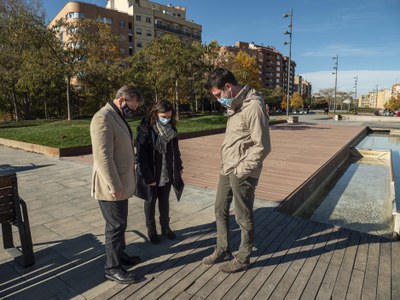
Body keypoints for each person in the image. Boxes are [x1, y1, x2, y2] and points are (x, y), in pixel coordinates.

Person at [202, 68, 271, 273]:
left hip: (242, 171)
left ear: (228, 87)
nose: (217, 100)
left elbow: (262, 146)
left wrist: (241, 171)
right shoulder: (235, 105)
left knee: (243, 215)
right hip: (227, 167)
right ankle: (223, 248)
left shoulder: (253, 107)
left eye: (217, 95)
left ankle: (243, 257)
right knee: (219, 207)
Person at [90, 85, 144, 284]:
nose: (134, 110)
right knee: (115, 226)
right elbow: (103, 157)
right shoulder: (102, 118)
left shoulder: (116, 115)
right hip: (111, 186)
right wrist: (115, 186)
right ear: (121, 100)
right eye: (133, 106)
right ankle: (112, 268)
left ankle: (120, 256)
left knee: (121, 224)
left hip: (121, 182)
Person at [135, 100, 184, 244]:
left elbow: (176, 151)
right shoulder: (145, 130)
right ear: (156, 114)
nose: (166, 119)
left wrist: (178, 167)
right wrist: (149, 177)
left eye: (169, 117)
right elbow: (141, 157)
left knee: (164, 201)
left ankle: (166, 228)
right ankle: (151, 230)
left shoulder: (171, 130)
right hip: (151, 173)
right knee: (150, 201)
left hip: (166, 171)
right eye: (163, 116)